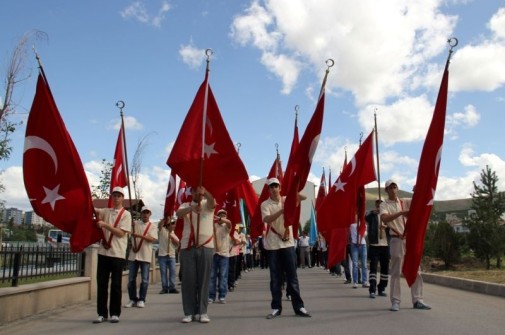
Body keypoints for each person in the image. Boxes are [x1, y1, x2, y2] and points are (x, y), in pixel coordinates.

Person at [261, 177, 311, 319]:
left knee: (292, 276)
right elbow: (266, 219)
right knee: (275, 278)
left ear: (280, 188)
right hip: (272, 244)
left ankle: (299, 307)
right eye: (271, 187)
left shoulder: (286, 199)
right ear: (268, 189)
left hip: (287, 243)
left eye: (276, 186)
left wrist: (291, 192)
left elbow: (304, 196)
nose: (274, 189)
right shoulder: (265, 204)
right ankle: (276, 307)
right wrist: (282, 211)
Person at [380, 179, 431, 312]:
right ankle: (395, 301)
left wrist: (417, 191)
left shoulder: (404, 201)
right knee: (396, 272)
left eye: (394, 187)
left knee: (416, 269)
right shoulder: (384, 204)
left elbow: (418, 202)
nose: (392, 190)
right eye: (390, 188)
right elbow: (385, 218)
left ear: (397, 188)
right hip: (396, 239)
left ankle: (418, 299)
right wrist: (402, 213)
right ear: (386, 190)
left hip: (409, 239)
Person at [176, 185, 215, 323]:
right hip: (188, 247)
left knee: (204, 280)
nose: (198, 193)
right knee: (188, 281)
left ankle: (202, 312)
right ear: (191, 192)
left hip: (206, 247)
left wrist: (206, 192)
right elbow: (178, 214)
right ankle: (189, 312)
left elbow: (213, 203)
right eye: (195, 190)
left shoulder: (207, 204)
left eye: (200, 190)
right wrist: (191, 208)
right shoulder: (185, 205)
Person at [93, 186, 132, 324]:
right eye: (114, 196)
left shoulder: (126, 215)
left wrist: (105, 225)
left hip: (117, 253)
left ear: (123, 198)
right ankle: (101, 313)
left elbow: (121, 233)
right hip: (104, 252)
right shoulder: (106, 211)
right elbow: (94, 209)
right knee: (101, 284)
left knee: (116, 284)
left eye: (119, 196)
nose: (116, 198)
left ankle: (115, 312)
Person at [125, 206, 158, 308]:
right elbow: (129, 229)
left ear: (150, 214)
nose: (145, 214)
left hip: (145, 255)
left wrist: (139, 236)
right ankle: (132, 298)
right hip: (134, 255)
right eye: (143, 212)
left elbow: (152, 239)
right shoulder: (135, 224)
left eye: (147, 212)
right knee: (131, 279)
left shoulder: (152, 226)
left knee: (144, 280)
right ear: (141, 214)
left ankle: (142, 299)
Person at [366, 199, 389, 299]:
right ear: (375, 206)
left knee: (385, 269)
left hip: (385, 245)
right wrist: (372, 213)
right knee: (373, 268)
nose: (379, 206)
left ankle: (381, 288)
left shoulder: (387, 215)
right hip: (374, 245)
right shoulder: (372, 215)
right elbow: (365, 218)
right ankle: (372, 289)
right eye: (377, 205)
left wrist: (386, 227)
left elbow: (393, 225)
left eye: (381, 204)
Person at [208, 209, 232, 304]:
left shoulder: (226, 226)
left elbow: (229, 223)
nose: (222, 217)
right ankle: (211, 296)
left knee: (223, 276)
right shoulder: (213, 226)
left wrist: (222, 219)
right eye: (220, 215)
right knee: (212, 276)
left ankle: (222, 295)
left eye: (224, 215)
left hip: (224, 254)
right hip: (213, 254)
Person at [158, 217, 180, 295]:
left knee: (172, 272)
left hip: (171, 255)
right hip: (162, 255)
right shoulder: (162, 231)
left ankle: (171, 287)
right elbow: (160, 225)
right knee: (163, 272)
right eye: (171, 224)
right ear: (167, 225)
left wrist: (172, 238)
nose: (173, 225)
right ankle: (164, 288)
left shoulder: (174, 233)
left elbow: (177, 244)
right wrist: (164, 218)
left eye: (173, 224)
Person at [350, 215, 368, 289]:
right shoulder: (351, 225)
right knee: (355, 264)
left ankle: (364, 281)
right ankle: (355, 282)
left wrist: (361, 230)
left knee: (364, 264)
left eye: (357, 216)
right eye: (354, 216)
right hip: (354, 245)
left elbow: (365, 234)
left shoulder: (363, 224)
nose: (355, 217)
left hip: (363, 245)